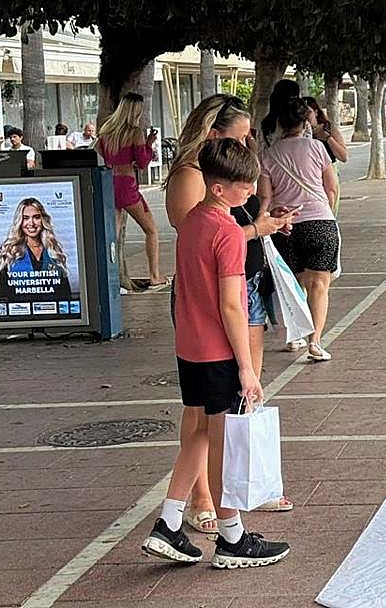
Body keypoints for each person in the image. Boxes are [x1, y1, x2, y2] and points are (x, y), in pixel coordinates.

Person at [141, 138, 291, 570]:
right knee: (222, 442)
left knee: (200, 435)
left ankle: (169, 521)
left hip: (189, 346)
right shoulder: (226, 231)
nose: (250, 193)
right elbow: (232, 304)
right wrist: (247, 367)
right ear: (220, 187)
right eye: (243, 187)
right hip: (218, 349)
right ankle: (232, 537)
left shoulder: (193, 221)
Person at [165, 94, 294, 535]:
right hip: (213, 321)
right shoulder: (196, 190)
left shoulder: (215, 206)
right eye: (239, 139)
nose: (247, 145)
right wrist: (254, 231)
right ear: (213, 136)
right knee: (213, 424)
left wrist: (260, 224)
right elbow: (222, 293)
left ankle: (172, 519)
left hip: (224, 306)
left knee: (220, 420)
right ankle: (229, 527)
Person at [259, 96, 340, 364]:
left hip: (286, 227)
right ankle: (315, 342)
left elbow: (265, 198)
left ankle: (294, 335)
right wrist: (327, 211)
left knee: (291, 284)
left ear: (280, 124)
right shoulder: (317, 148)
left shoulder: (268, 155)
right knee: (319, 286)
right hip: (320, 223)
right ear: (305, 122)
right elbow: (331, 187)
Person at [98, 93, 168, 288]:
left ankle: (111, 277)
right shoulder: (135, 132)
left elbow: (101, 153)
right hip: (127, 184)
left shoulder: (106, 130)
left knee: (113, 234)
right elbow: (143, 162)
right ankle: (154, 275)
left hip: (109, 182)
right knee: (151, 230)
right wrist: (148, 144)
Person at [0, 197, 72, 301]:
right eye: (26, 218)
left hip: (53, 314)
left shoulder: (53, 252)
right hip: (19, 314)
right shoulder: (9, 255)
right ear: (20, 222)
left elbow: (65, 295)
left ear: (43, 220)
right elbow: (1, 297)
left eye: (36, 217)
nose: (31, 223)